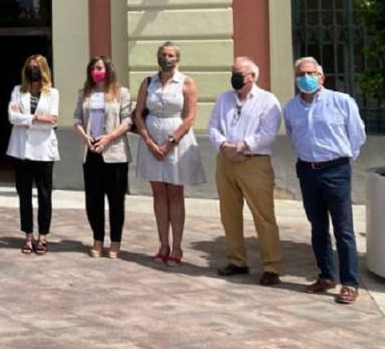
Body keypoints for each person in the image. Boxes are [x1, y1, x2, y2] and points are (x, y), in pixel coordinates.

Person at [284, 56, 367, 305]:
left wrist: (342, 160)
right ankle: (326, 276)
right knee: (317, 227)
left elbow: (357, 134)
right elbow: (291, 135)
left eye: (311, 73)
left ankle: (350, 283)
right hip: (307, 171)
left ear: (321, 77)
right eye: (301, 74)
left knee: (343, 229)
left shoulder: (341, 101)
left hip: (336, 171)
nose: (306, 78)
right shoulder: (291, 107)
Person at [207, 57, 283, 286]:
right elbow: (212, 127)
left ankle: (271, 266)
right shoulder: (224, 99)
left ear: (252, 76)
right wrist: (224, 146)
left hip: (254, 162)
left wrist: (241, 146)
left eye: (239, 72)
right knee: (228, 213)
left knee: (263, 216)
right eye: (233, 72)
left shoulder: (268, 101)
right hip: (226, 162)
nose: (235, 76)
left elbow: (267, 133)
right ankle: (237, 260)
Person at [134, 42, 206, 265]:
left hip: (176, 141)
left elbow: (190, 117)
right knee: (158, 193)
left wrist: (170, 142)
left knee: (175, 193)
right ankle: (163, 244)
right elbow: (138, 115)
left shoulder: (187, 82)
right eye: (162, 54)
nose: (166, 58)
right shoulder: (148, 82)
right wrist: (149, 141)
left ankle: (177, 247)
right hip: (151, 141)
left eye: (170, 55)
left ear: (178, 59)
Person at [73, 56, 133, 259]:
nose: (96, 71)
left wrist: (108, 138)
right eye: (93, 68)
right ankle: (97, 239)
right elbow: (77, 120)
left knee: (116, 200)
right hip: (91, 152)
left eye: (99, 67)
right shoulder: (85, 93)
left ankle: (115, 242)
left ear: (108, 69)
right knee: (93, 200)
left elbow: (127, 121)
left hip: (114, 153)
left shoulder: (121, 92)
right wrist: (85, 137)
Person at [7, 54, 59, 256]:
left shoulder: (52, 93)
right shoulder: (17, 91)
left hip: (44, 150)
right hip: (21, 151)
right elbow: (12, 117)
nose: (33, 70)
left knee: (45, 195)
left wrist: (26, 118)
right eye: (30, 67)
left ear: (43, 70)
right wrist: (37, 117)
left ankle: (43, 236)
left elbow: (53, 121)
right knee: (24, 195)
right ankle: (28, 236)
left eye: (36, 67)